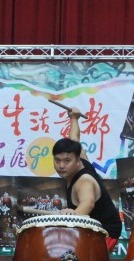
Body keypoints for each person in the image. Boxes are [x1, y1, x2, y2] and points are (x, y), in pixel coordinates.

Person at [52, 107, 122, 250]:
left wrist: (73, 216)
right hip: (90, 228)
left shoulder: (84, 182)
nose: (61, 166)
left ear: (77, 160)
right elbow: (75, 138)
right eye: (57, 160)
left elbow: (88, 203)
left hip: (105, 233)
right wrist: (74, 118)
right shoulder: (80, 158)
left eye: (66, 161)